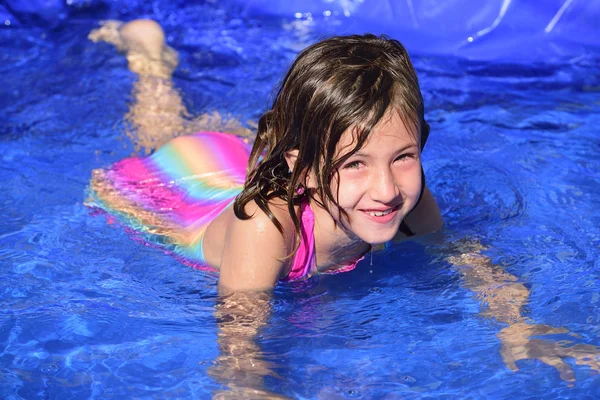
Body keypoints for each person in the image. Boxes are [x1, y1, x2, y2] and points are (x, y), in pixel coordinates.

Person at [87, 20, 599, 394]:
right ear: (304, 169)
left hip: (269, 165)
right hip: (184, 190)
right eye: (356, 164)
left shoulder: (408, 196)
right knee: (159, 130)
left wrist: (516, 325)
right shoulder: (268, 226)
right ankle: (149, 59)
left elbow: (465, 258)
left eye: (403, 157)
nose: (385, 189)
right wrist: (248, 382)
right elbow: (238, 328)